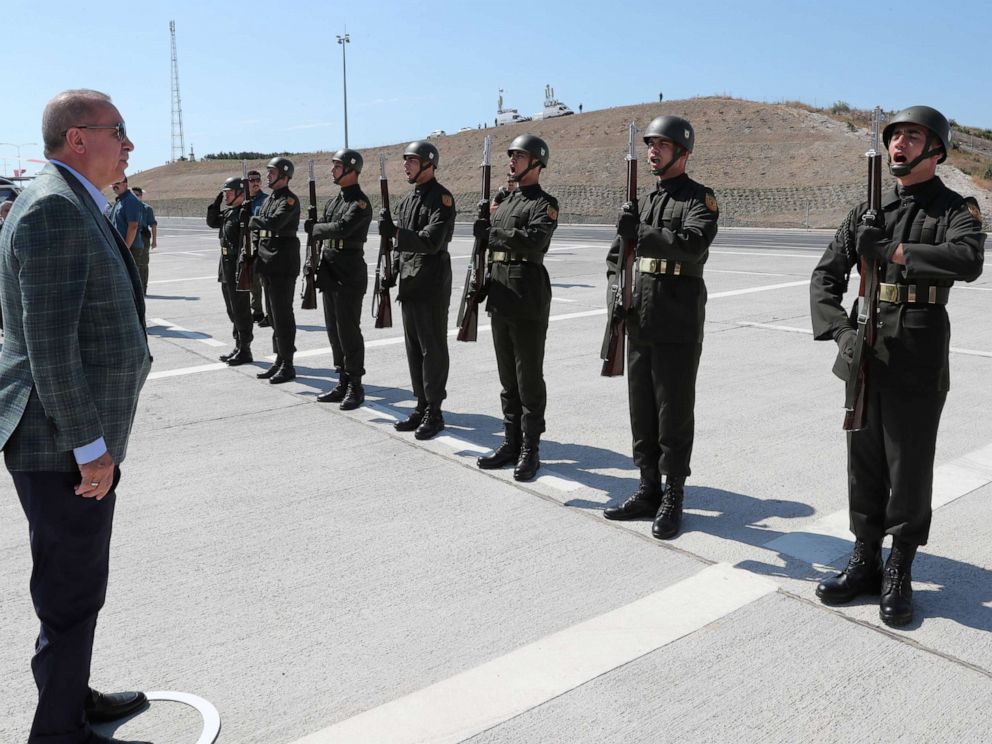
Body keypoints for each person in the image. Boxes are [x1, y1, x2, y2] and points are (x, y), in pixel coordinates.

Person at [0, 89, 152, 744]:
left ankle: (73, 698)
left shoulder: (72, 202)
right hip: (60, 441)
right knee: (72, 594)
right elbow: (51, 348)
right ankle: (58, 734)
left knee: (72, 587)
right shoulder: (56, 211)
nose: (129, 143)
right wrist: (90, 446)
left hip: (65, 434)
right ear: (77, 138)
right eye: (118, 131)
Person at [810, 105, 985, 626]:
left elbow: (968, 259)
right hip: (864, 351)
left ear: (935, 150)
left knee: (907, 467)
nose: (898, 145)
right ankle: (864, 560)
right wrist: (841, 333)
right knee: (862, 460)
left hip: (916, 352)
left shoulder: (956, 209)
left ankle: (899, 568)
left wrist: (895, 250)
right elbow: (825, 277)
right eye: (894, 137)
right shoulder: (867, 209)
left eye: (911, 136)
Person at [602, 115, 719, 539]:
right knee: (642, 410)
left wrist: (643, 232)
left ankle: (674, 494)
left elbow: (692, 245)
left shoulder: (699, 200)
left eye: (662, 145)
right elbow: (617, 256)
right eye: (650, 145)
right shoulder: (644, 201)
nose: (653, 151)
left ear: (683, 153)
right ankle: (647, 487)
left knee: (673, 411)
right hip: (640, 318)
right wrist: (616, 290)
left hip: (677, 319)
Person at [474, 134, 558, 481]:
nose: (512, 161)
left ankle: (530, 449)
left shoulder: (544, 203)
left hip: (527, 296)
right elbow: (493, 239)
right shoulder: (504, 201)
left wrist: (493, 232)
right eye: (511, 156)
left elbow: (535, 239)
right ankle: (511, 441)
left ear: (536, 162)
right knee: (508, 379)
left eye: (519, 156)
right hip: (501, 295)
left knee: (528, 379)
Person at [379, 141, 456, 439]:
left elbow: (431, 240)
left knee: (432, 348)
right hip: (409, 282)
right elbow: (400, 247)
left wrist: (396, 233)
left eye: (411, 161)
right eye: (405, 161)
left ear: (428, 164)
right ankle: (421, 404)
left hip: (431, 282)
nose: (405, 166)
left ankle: (435, 412)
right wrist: (391, 271)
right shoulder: (408, 200)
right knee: (413, 350)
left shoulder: (442, 199)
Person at [305, 148, 372, 409]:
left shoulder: (359, 202)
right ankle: (342, 380)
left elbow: (342, 228)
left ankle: (356, 385)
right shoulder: (335, 201)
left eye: (337, 166)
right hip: (330, 270)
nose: (332, 170)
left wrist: (316, 229)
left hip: (349, 271)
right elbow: (323, 226)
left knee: (348, 331)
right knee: (334, 331)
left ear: (351, 169)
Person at [251, 157, 300, 384]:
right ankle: (280, 359)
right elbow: (263, 222)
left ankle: (288, 364)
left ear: (284, 175)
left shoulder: (289, 200)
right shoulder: (271, 199)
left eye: (272, 172)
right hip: (268, 261)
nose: (268, 175)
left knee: (282, 315)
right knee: (272, 315)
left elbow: (274, 222)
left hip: (282, 262)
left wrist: (252, 219)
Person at [206, 175, 253, 366]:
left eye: (229, 193)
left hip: (237, 266)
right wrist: (215, 204)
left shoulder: (244, 213)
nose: (225, 196)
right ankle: (238, 344)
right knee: (231, 309)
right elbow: (212, 222)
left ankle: (245, 349)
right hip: (225, 265)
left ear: (240, 193)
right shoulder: (229, 213)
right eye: (224, 193)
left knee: (241, 309)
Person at [246, 168, 269, 325]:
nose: (255, 183)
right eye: (252, 180)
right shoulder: (244, 201)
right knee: (253, 281)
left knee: (265, 282)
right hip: (249, 245)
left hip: (262, 244)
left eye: (257, 180)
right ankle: (257, 311)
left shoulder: (266, 200)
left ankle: (270, 312)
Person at [109, 175, 144, 261]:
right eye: (112, 184)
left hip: (130, 248)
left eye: (117, 183)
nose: (114, 186)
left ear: (125, 184)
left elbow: (133, 226)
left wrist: (126, 248)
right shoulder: (121, 200)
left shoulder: (130, 200)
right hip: (121, 246)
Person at [131, 186, 156, 294]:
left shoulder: (147, 208)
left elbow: (153, 225)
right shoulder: (127, 207)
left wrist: (154, 241)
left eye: (137, 195)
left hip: (143, 237)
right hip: (131, 237)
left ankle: (143, 288)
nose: (136, 197)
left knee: (143, 264)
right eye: (133, 195)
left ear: (141, 196)